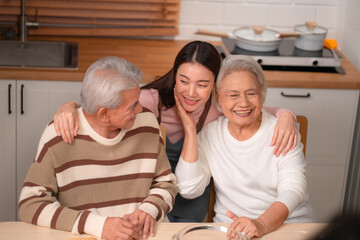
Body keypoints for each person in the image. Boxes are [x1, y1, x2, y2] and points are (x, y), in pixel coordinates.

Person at [53, 41, 299, 222]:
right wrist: (70, 106)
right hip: (149, 194)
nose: (191, 93)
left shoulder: (216, 109)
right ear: (175, 74)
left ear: (216, 87)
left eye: (202, 85)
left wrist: (286, 114)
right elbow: (104, 108)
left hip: (191, 199)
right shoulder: (150, 100)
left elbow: (251, 106)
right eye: (183, 81)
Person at [18, 56, 178, 240]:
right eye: (133, 105)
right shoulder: (58, 136)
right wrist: (98, 226)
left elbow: (166, 183)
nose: (140, 109)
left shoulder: (147, 123)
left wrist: (149, 210)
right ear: (104, 114)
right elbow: (30, 204)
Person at [175, 55, 314, 239]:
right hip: (232, 230)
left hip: (289, 227)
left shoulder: (282, 131)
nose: (243, 103)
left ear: (261, 92)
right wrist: (190, 130)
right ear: (219, 97)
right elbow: (188, 188)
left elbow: (293, 189)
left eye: (251, 93)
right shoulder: (210, 134)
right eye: (233, 95)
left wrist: (260, 224)